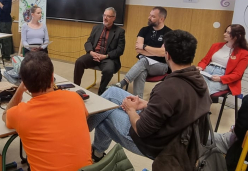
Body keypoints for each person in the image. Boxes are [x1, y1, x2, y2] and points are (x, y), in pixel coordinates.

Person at [3, 51, 92, 171]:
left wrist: (20, 90)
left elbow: (6, 116)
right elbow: (85, 117)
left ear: (25, 83)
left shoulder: (20, 113)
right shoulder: (75, 99)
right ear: (53, 78)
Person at [88, 30, 212, 162]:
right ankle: (96, 151)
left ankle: (82, 136)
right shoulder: (199, 81)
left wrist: (131, 110)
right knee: (113, 92)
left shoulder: (167, 88)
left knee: (105, 113)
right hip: (178, 139)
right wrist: (146, 104)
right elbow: (179, 108)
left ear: (168, 55)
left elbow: (141, 129)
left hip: (156, 146)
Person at [115, 7, 171, 98]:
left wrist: (145, 47)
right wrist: (155, 52)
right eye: (150, 15)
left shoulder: (169, 33)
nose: (149, 18)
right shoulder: (144, 30)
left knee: (143, 61)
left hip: (161, 66)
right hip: (144, 64)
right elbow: (138, 49)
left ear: (161, 19)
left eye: (153, 16)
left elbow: (163, 53)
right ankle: (138, 99)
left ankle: (123, 82)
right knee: (141, 71)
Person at [73, 7, 125, 95]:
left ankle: (101, 92)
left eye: (108, 16)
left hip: (108, 58)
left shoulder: (120, 32)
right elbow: (88, 42)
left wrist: (105, 56)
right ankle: (76, 87)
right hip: (93, 55)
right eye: (104, 15)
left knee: (108, 70)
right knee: (79, 62)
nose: (105, 18)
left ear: (114, 18)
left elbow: (120, 50)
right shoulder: (96, 28)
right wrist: (91, 52)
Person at [197, 24, 248, 95]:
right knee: (192, 83)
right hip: (206, 72)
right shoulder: (215, 45)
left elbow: (237, 74)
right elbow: (204, 61)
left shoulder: (244, 53)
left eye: (228, 33)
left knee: (205, 89)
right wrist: (200, 67)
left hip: (223, 79)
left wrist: (221, 78)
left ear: (237, 36)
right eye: (225, 31)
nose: (224, 34)